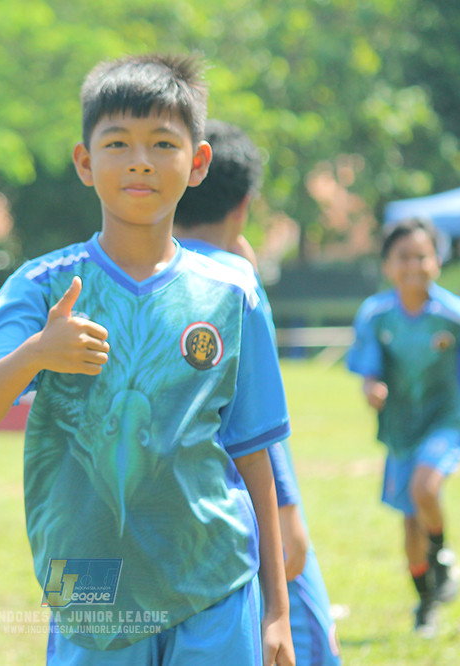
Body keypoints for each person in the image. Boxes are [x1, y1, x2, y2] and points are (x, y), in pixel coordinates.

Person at [0, 54, 295, 665]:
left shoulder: (233, 291)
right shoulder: (42, 284)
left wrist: (278, 610)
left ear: (197, 161)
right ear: (84, 161)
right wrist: (37, 353)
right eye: (118, 142)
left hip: (213, 576)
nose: (140, 161)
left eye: (162, 143)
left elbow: (253, 451)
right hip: (90, 586)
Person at [174, 119, 341, 665]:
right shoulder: (237, 285)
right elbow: (254, 422)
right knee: (309, 646)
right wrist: (288, 509)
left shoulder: (133, 274)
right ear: (244, 204)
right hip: (248, 513)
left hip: (163, 526)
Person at [346, 217, 460, 638]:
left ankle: (442, 553)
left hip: (447, 418)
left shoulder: (455, 312)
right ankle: (426, 603)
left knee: (425, 489)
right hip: (401, 426)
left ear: (437, 261)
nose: (414, 265)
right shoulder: (376, 315)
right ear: (388, 265)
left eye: (422, 255)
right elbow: (367, 370)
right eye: (403, 256)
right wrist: (372, 388)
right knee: (408, 523)